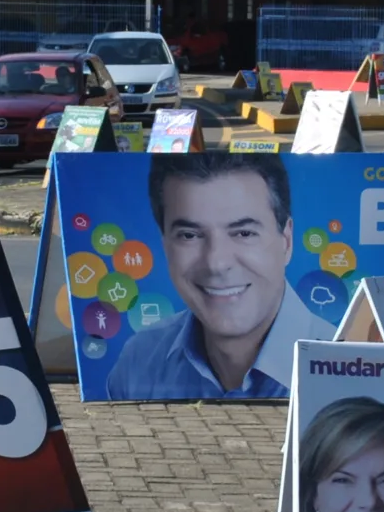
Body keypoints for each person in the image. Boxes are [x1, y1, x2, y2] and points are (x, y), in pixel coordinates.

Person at [104, 153, 334, 399]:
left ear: (286, 242)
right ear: (165, 246)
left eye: (244, 233)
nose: (216, 263)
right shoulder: (139, 361)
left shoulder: (350, 369)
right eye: (189, 235)